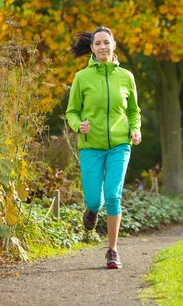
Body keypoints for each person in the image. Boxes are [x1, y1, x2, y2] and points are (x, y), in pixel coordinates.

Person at [66, 27, 142, 269]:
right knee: (94, 200)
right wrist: (79, 126)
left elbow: (133, 111)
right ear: (91, 48)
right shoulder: (82, 78)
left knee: (112, 195)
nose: (102, 47)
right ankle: (91, 211)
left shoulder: (126, 77)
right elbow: (72, 111)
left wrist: (135, 129)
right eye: (97, 43)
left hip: (120, 144)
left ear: (114, 45)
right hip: (91, 146)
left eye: (106, 43)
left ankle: (113, 251)